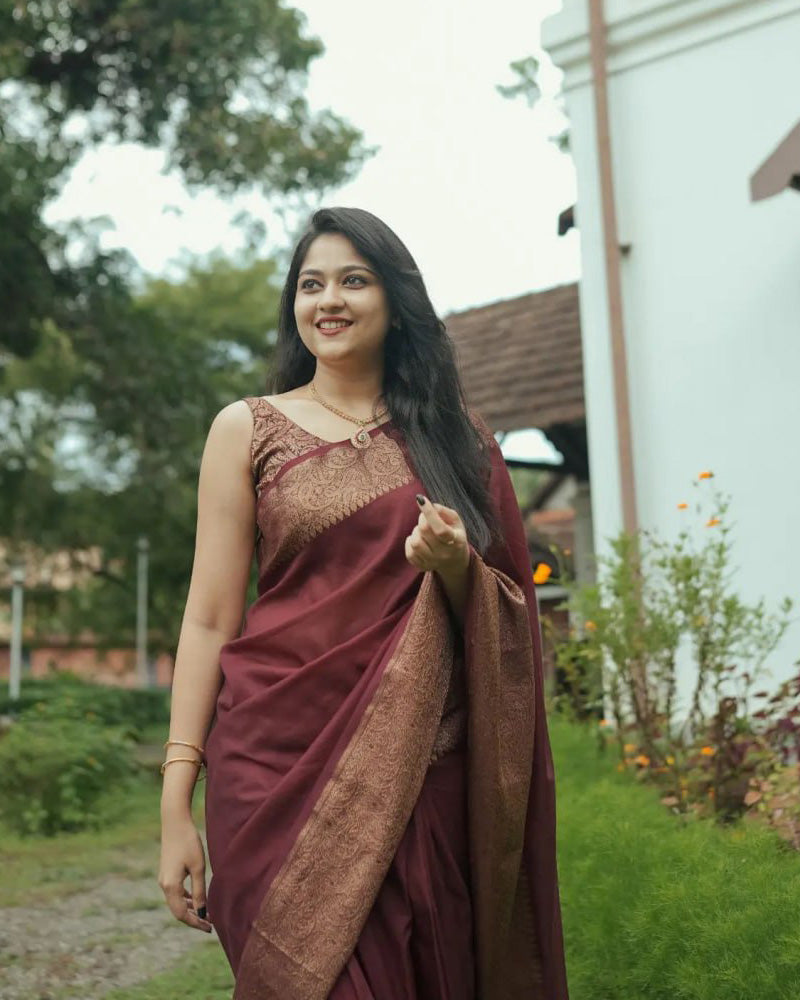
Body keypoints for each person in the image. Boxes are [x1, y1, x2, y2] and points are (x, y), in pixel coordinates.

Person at [158, 206, 570, 999]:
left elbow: (510, 615)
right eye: (310, 285)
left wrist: (454, 567)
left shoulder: (459, 441)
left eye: (354, 280)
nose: (329, 301)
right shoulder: (247, 429)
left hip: (419, 776)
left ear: (396, 301)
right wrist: (177, 800)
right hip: (268, 769)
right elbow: (209, 621)